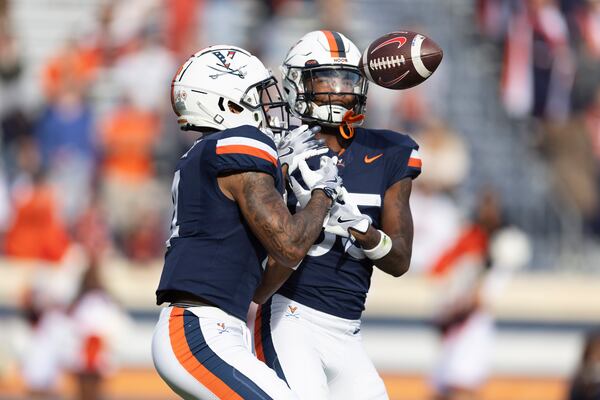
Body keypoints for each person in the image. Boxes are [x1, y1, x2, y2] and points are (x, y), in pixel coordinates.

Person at [151, 44, 343, 400]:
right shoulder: (238, 145)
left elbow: (270, 276)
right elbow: (289, 243)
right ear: (226, 104)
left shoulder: (212, 155)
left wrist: (306, 212)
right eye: (258, 96)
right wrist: (323, 193)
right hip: (200, 328)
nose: (272, 107)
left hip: (214, 327)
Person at [252, 31, 422, 400]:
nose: (339, 91)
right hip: (289, 315)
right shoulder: (275, 150)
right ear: (297, 82)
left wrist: (363, 229)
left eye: (348, 80)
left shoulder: (390, 151)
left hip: (348, 330)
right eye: (326, 79)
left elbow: (400, 260)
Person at [427, 190, 531, 400]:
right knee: (443, 388)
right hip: (457, 330)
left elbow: (480, 298)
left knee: (462, 388)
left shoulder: (504, 246)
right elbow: (441, 270)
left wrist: (450, 315)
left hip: (471, 329)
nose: (488, 213)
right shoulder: (471, 240)